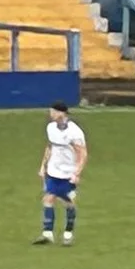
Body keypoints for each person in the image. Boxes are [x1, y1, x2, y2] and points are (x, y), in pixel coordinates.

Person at [36, 102, 86, 244]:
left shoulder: (74, 132)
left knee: (68, 202)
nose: (50, 114)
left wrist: (77, 173)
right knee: (48, 198)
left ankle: (68, 233)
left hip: (68, 172)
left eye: (53, 111)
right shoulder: (51, 128)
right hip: (53, 170)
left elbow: (82, 153)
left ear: (61, 113)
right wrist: (43, 166)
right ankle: (47, 233)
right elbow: (50, 146)